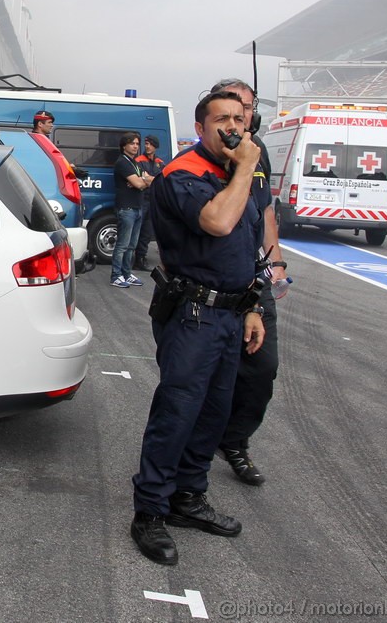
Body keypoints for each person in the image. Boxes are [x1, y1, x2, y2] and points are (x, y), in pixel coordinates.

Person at [130, 90, 266, 566]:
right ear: (202, 127)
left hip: (230, 314)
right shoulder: (185, 173)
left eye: (239, 118)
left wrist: (252, 307)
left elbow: (246, 247)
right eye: (222, 119)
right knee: (178, 413)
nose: (233, 127)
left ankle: (187, 498)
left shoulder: (234, 174)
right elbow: (218, 223)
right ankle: (150, 510)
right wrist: (246, 167)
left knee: (213, 413)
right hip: (193, 314)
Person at [209, 79, 285, 487]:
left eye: (248, 109)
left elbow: (266, 209)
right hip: (214, 279)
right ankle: (191, 455)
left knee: (262, 369)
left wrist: (277, 263)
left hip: (255, 278)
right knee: (206, 374)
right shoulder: (205, 157)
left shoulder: (259, 152)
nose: (242, 116)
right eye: (233, 108)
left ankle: (235, 441)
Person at [110, 131, 151, 288]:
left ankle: (126, 273)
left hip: (138, 208)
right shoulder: (123, 163)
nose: (135, 146)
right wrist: (141, 181)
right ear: (124, 146)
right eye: (132, 143)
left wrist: (141, 180)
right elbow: (141, 184)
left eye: (136, 143)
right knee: (122, 244)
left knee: (132, 245)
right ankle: (116, 275)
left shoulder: (136, 163)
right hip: (126, 208)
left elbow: (149, 179)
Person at [133, 135, 165, 270]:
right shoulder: (139, 160)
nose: (147, 146)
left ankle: (141, 259)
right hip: (141, 199)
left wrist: (151, 180)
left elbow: (163, 180)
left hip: (153, 201)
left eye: (150, 144)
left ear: (155, 146)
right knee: (136, 231)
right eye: (146, 144)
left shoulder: (160, 162)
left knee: (147, 233)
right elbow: (143, 179)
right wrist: (154, 180)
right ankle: (133, 259)